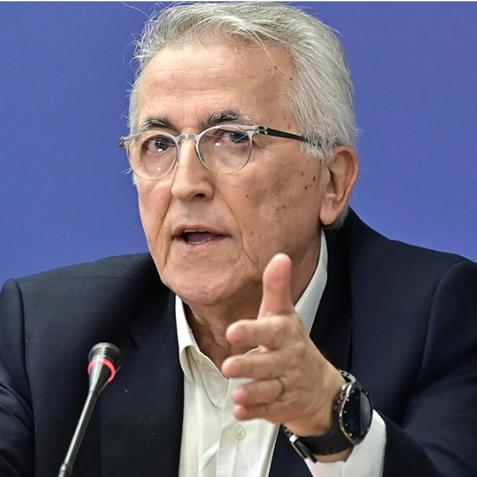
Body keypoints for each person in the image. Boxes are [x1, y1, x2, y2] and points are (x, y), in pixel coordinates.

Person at [0, 3, 476, 477]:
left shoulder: (436, 322)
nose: (186, 184)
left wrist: (332, 421)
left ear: (332, 182)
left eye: (232, 138)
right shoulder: (44, 334)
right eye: (160, 144)